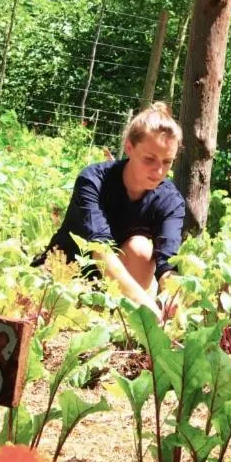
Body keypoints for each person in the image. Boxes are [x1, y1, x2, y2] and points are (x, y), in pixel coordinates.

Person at [34, 103, 185, 316]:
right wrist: (148, 308)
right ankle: (126, 312)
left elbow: (168, 263)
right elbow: (100, 250)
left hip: (117, 289)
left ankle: (120, 316)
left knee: (141, 248)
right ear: (129, 147)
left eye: (167, 162)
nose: (159, 170)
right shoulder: (92, 180)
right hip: (66, 272)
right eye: (149, 159)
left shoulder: (171, 201)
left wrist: (173, 299)